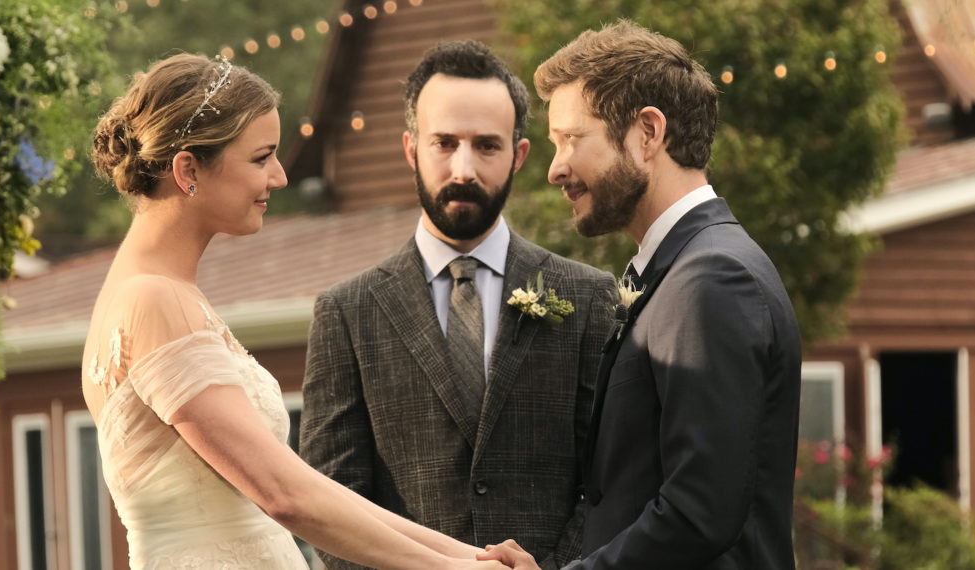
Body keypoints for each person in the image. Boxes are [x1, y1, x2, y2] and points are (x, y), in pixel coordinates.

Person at [82, 53, 510, 570]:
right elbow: (285, 495)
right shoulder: (154, 299)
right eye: (262, 157)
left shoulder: (151, 293)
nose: (281, 177)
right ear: (188, 169)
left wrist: (472, 557)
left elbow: (303, 484)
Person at [479, 20, 802, 569]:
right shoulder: (683, 269)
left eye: (572, 140)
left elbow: (699, 513)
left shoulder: (710, 280)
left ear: (648, 133)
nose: (555, 168)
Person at [300, 40, 617, 570]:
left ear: (518, 155)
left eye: (486, 146)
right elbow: (332, 504)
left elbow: (608, 479)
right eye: (444, 143)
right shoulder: (346, 314)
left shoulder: (586, 298)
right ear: (411, 149)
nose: (463, 168)